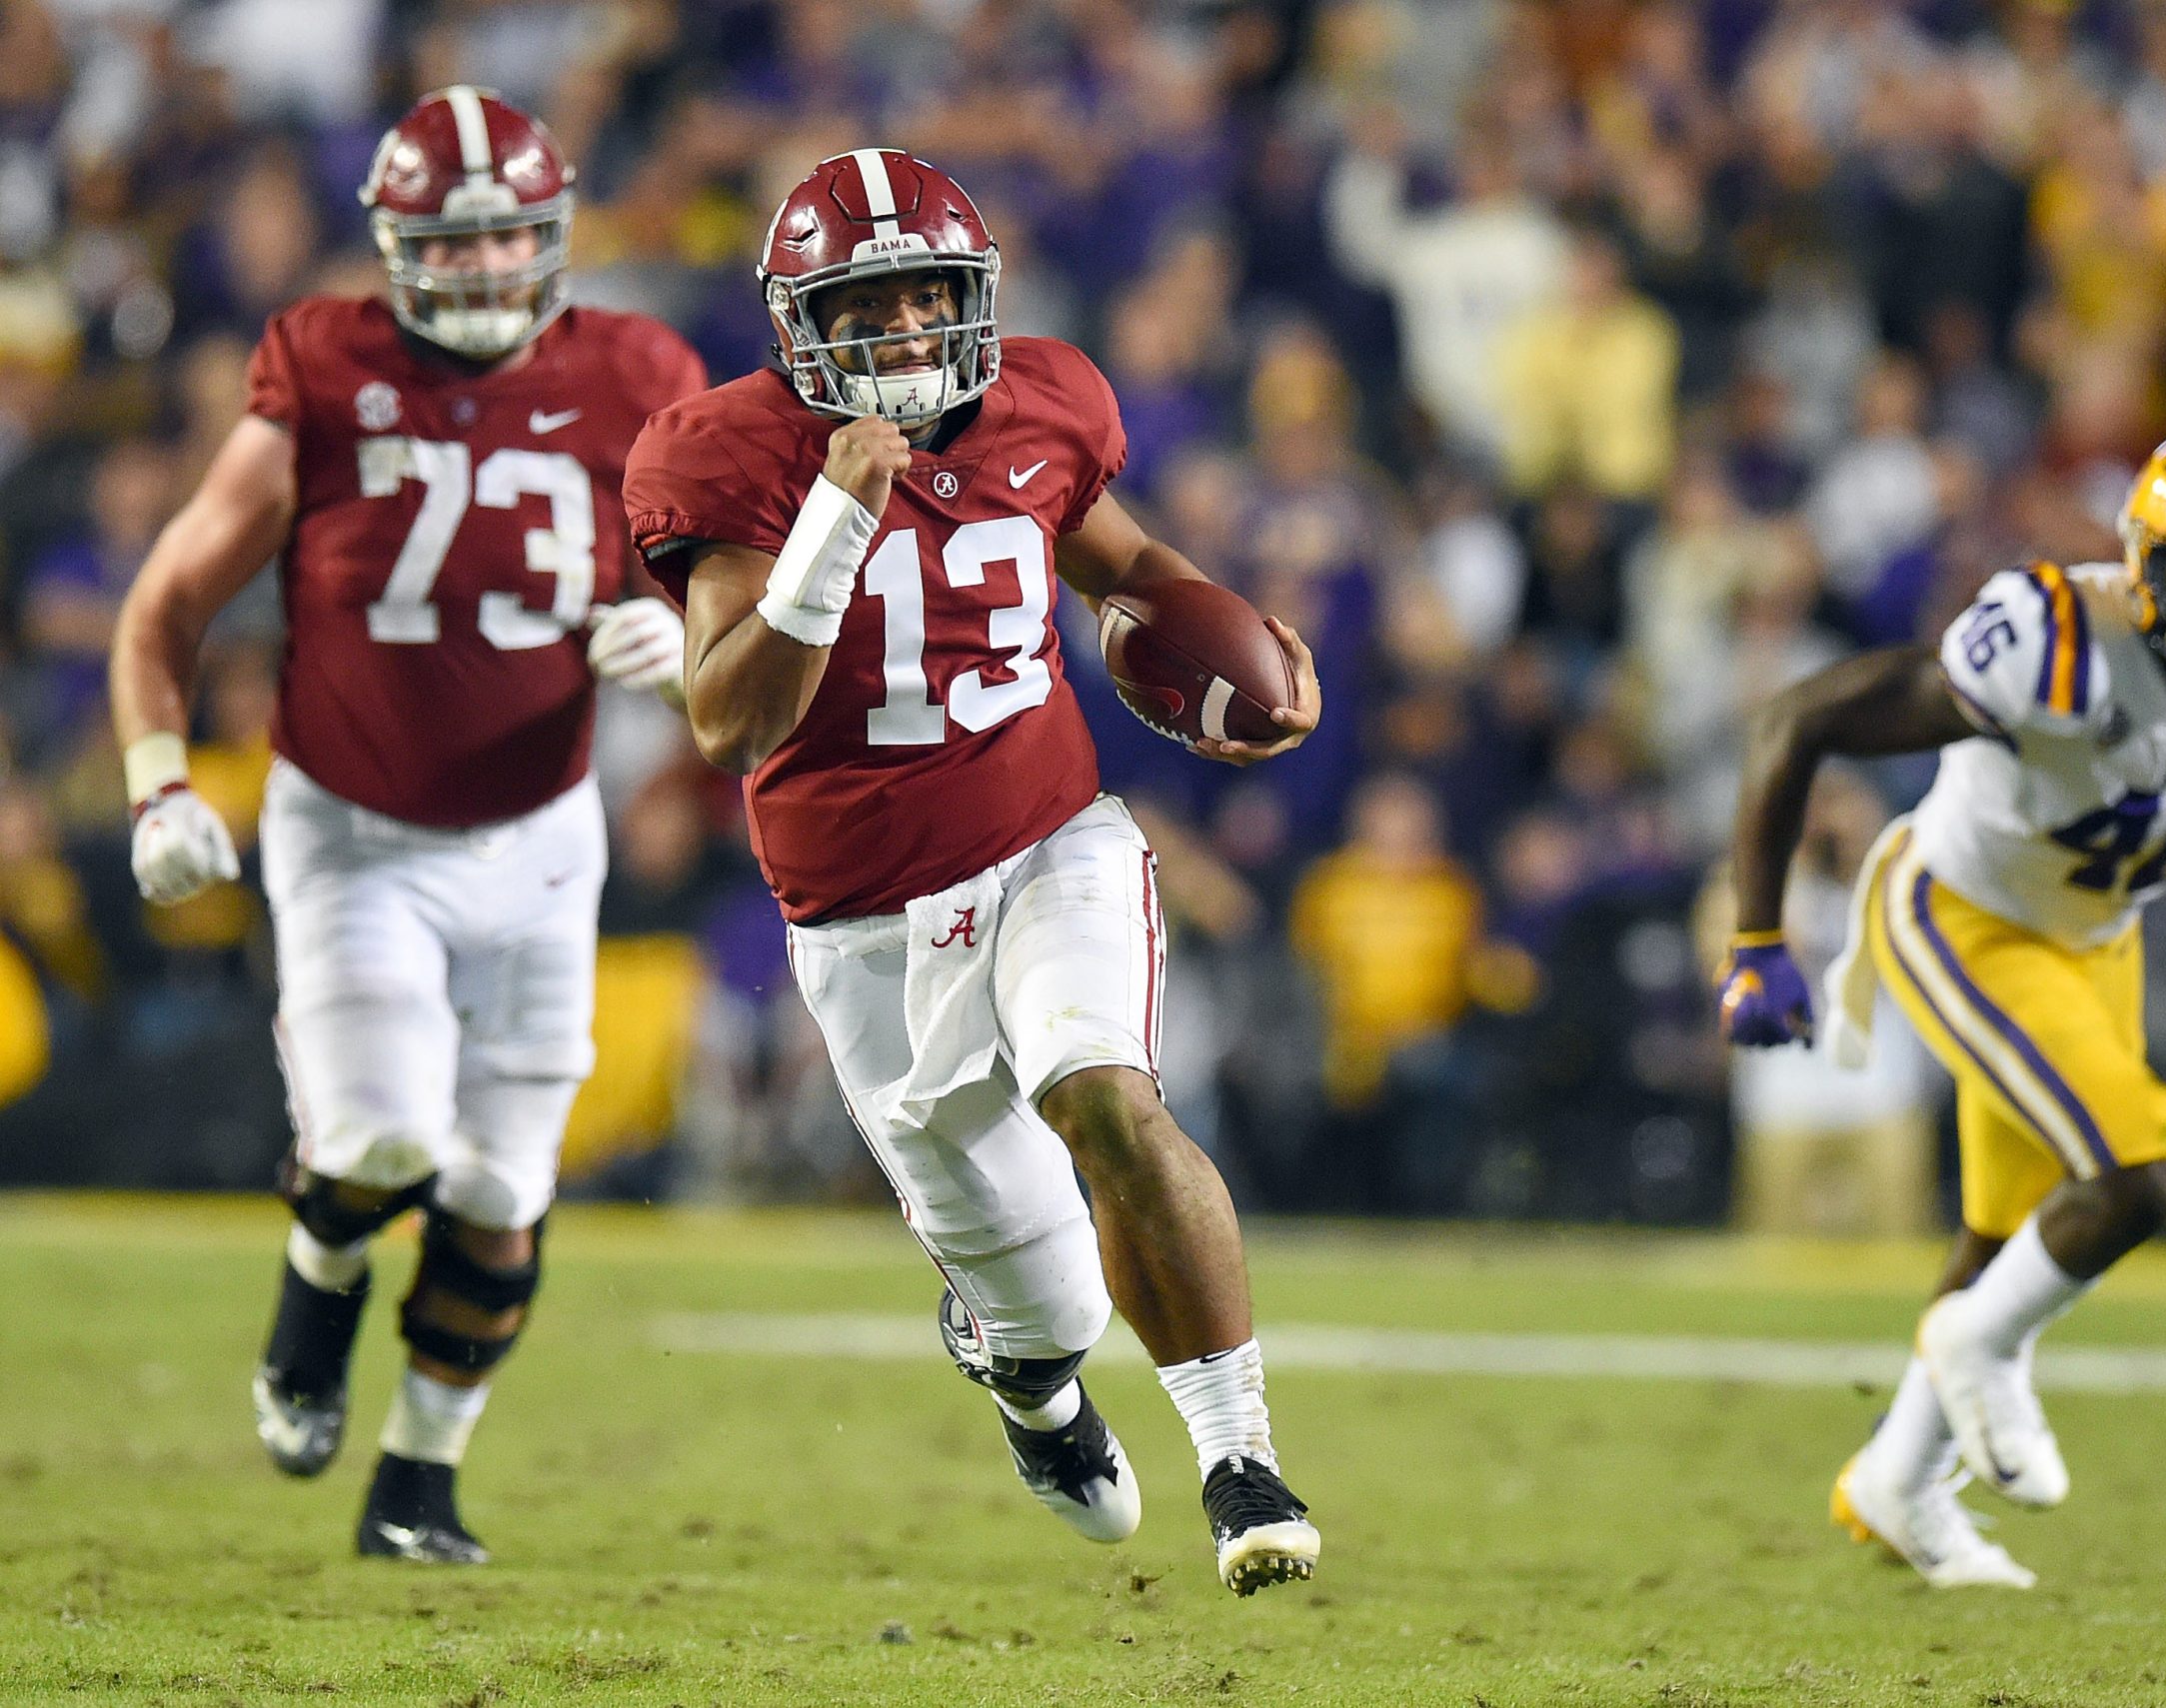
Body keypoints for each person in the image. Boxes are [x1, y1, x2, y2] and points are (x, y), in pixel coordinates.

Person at [620, 149, 1324, 1595]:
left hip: (1048, 837)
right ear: (801, 322)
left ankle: (1242, 1459)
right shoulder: (725, 455)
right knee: (1047, 1304)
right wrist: (835, 522)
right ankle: (1029, 1381)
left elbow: (1121, 564)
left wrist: (1235, 659)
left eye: (931, 299)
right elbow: (727, 716)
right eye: (870, 309)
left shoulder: (1049, 401)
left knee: (1107, 1096)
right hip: (869, 927)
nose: (908, 336)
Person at [109, 88, 707, 1564]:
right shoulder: (324, 365)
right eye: (462, 241)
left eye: (517, 238)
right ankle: (318, 1283)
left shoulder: (639, 368)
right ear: (396, 247)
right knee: (375, 1136)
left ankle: (416, 1485)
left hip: (543, 830)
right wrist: (157, 779)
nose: (495, 268)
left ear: (556, 236)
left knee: (504, 1186)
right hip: (355, 825)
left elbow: (740, 594)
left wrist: (681, 628)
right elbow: (169, 601)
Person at [1715, 420, 2166, 1588]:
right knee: (2146, 1160)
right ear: (2138, 559)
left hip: (2096, 936)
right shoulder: (2055, 638)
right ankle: (1978, 1348)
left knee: (2009, 1237)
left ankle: (1895, 1480)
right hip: (1958, 911)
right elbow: (1797, 719)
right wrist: (1756, 936)